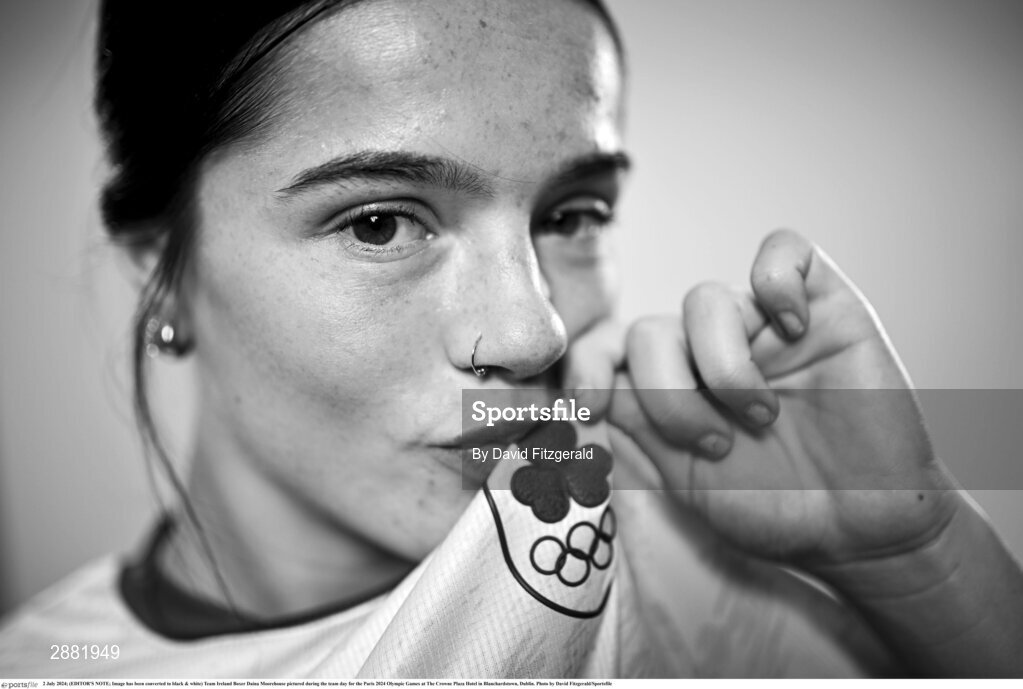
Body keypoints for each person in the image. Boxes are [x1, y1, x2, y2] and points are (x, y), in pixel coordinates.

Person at [1, 0, 1021, 678]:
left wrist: (912, 552)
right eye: (379, 222)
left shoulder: (700, 575)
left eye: (571, 214)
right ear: (161, 267)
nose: (535, 333)